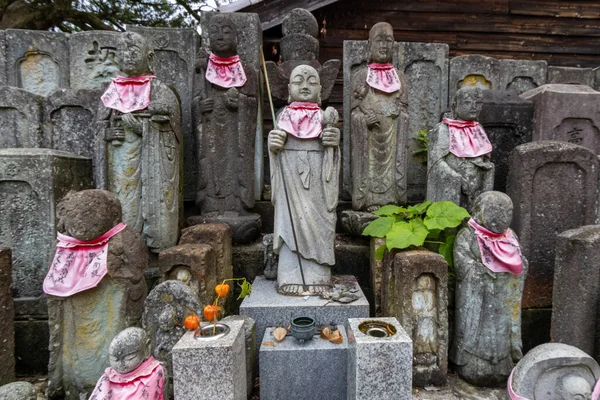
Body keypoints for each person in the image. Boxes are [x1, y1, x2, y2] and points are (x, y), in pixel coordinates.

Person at [97, 31, 182, 252]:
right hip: (119, 166)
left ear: (150, 57)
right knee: (123, 207)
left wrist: (144, 128)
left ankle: (154, 243)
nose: (127, 55)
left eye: (134, 50)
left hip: (152, 170)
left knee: (152, 212)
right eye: (122, 51)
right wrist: (107, 135)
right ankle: (120, 244)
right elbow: (100, 130)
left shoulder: (161, 91)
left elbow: (173, 135)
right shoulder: (110, 94)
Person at [268, 64, 340, 294]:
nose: (306, 85)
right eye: (299, 81)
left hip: (318, 180)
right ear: (289, 89)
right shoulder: (283, 117)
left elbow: (333, 157)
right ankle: (289, 271)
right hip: (290, 179)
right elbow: (275, 154)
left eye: (311, 81)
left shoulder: (324, 117)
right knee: (290, 222)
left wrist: (332, 144)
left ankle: (318, 272)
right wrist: (274, 146)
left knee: (322, 223)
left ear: (320, 90)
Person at [451, 191, 527, 386]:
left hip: (503, 297)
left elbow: (519, 262)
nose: (501, 217)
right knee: (475, 334)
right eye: (494, 211)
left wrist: (518, 269)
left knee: (503, 329)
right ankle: (471, 363)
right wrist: (481, 272)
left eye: (507, 212)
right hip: (478, 300)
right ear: (480, 211)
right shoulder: (467, 236)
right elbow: (463, 266)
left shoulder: (510, 237)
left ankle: (504, 362)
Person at [195, 13, 258, 216]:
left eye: (226, 31)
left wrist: (240, 102)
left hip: (235, 133)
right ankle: (211, 206)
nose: (220, 36)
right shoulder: (202, 71)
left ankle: (236, 205)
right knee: (210, 166)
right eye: (214, 32)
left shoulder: (247, 71)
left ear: (237, 38)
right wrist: (200, 105)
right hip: (210, 132)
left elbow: (253, 103)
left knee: (235, 165)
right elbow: (194, 102)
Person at [350, 22, 409, 211]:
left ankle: (393, 200)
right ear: (369, 45)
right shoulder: (361, 76)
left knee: (391, 170)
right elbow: (354, 113)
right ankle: (369, 200)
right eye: (379, 40)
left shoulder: (400, 77)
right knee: (370, 168)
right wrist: (363, 120)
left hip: (392, 136)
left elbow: (405, 111)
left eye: (388, 41)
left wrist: (399, 116)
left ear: (394, 45)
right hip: (370, 138)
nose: (384, 45)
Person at [427, 87, 494, 211]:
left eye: (478, 103)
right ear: (455, 105)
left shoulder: (478, 129)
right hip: (452, 188)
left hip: (476, 187)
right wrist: (457, 178)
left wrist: (485, 167)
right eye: (467, 102)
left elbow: (485, 159)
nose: (474, 107)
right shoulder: (443, 130)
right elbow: (436, 163)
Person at [90, 327, 165, 400]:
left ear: (146, 349)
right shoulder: (110, 375)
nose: (120, 364)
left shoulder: (154, 372)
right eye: (115, 359)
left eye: (129, 358)